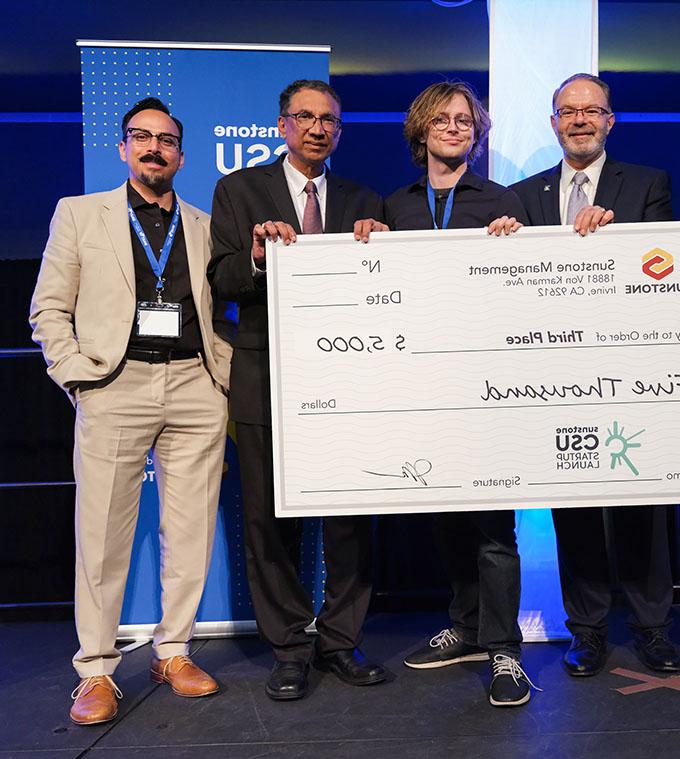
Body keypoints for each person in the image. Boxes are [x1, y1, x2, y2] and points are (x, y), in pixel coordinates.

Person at [29, 97, 232, 725]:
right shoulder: (80, 215)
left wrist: (220, 379)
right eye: (141, 137)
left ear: (180, 153)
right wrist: (78, 379)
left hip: (196, 384)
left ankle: (173, 650)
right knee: (102, 534)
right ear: (122, 148)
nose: (154, 148)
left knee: (191, 530)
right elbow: (48, 309)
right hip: (114, 383)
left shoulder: (201, 223)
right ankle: (95, 668)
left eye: (166, 140)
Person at [208, 79, 386, 701]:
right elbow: (224, 280)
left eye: (329, 120)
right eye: (305, 117)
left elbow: (386, 297)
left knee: (348, 522)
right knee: (267, 520)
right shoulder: (238, 190)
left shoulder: (367, 200)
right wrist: (258, 256)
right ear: (282, 125)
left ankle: (341, 641)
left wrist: (383, 253)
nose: (317, 128)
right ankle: (289, 646)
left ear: (340, 130)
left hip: (347, 379)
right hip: (265, 378)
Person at [511, 73, 680, 678]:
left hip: (631, 371)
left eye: (592, 111)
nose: (580, 120)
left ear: (611, 121)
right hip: (557, 375)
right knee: (574, 508)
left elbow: (664, 268)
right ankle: (586, 632)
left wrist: (620, 239)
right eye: (568, 111)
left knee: (641, 504)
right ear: (554, 122)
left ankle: (653, 629)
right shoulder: (523, 195)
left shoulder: (648, 185)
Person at [384, 81, 534, 708]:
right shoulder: (394, 206)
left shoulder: (502, 203)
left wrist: (518, 241)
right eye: (442, 119)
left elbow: (529, 291)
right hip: (423, 387)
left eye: (465, 120)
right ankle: (467, 628)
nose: (454, 128)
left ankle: (504, 652)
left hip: (488, 390)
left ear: (478, 132)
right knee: (447, 520)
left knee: (494, 531)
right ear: (421, 129)